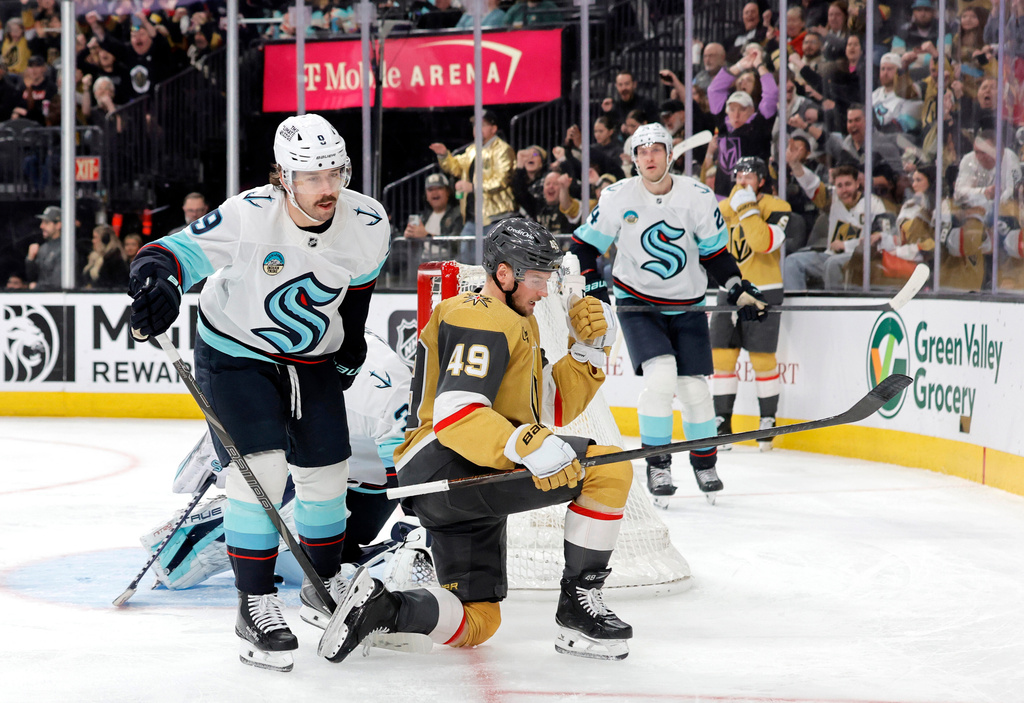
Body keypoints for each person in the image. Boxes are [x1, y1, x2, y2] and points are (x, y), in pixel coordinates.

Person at [126, 113, 390, 673]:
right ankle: (254, 602)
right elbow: (169, 254)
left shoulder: (368, 219)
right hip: (235, 353)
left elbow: (359, 293)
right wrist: (159, 282)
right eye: (311, 176)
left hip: (312, 359)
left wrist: (347, 356)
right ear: (283, 177)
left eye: (334, 173)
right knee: (261, 472)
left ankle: (322, 586)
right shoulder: (249, 213)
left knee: (326, 473)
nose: (327, 188)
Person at [319, 217, 637, 664]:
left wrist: (589, 350)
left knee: (478, 620)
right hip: (448, 463)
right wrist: (527, 444)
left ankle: (383, 608)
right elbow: (458, 414)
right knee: (607, 468)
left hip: (460, 474)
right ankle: (578, 606)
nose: (544, 291)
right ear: (503, 275)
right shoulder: (479, 316)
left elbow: (548, 408)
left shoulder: (514, 320)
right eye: (536, 278)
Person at [569, 123, 768, 499]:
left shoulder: (697, 196)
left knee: (694, 389)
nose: (649, 157)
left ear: (669, 155)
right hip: (637, 304)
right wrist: (594, 282)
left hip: (687, 305)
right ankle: (658, 465)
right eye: (642, 151)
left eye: (656, 149)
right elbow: (582, 248)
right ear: (633, 159)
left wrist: (738, 289)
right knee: (660, 378)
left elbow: (715, 255)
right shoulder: (617, 197)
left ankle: (705, 464)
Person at [142, 331, 418, 597]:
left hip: (362, 468)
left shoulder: (383, 397)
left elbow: (410, 492)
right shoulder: (274, 352)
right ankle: (200, 539)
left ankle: (268, 542)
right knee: (272, 496)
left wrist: (424, 540)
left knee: (341, 549)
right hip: (313, 454)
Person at [711, 157, 795, 451]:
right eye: (738, 174)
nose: (743, 179)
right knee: (721, 358)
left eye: (750, 174)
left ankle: (767, 421)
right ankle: (722, 423)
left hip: (764, 290)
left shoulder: (778, 207)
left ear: (762, 179)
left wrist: (746, 208)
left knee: (761, 360)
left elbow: (762, 243)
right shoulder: (724, 208)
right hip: (729, 289)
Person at [784, 163, 888, 290]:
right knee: (792, 262)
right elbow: (811, 185)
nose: (844, 190)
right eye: (839, 186)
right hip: (830, 256)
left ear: (857, 184)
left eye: (848, 184)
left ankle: (834, 307)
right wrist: (795, 165)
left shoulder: (874, 204)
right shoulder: (832, 200)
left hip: (858, 259)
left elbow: (880, 239)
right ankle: (797, 308)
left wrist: (846, 245)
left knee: (832, 264)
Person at [429, 110, 516, 261]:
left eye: (481, 125)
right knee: (466, 259)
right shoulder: (472, 150)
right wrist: (444, 155)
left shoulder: (503, 149)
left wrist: (473, 187)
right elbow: (456, 167)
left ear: (493, 129)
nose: (477, 128)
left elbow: (502, 180)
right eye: (475, 125)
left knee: (493, 261)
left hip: (495, 217)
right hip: (472, 218)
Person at [402, 173, 462, 261]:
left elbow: (456, 244)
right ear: (426, 195)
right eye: (430, 190)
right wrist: (409, 238)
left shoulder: (457, 214)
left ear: (448, 192)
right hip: (424, 263)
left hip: (447, 264)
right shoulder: (423, 217)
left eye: (439, 188)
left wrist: (427, 235)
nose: (434, 192)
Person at [24, 205, 62, 290]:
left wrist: (37, 287)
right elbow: (32, 277)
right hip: (40, 298)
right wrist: (30, 259)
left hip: (55, 300)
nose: (42, 226)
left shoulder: (65, 249)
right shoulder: (43, 248)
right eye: (42, 222)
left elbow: (57, 283)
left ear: (58, 225)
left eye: (46, 223)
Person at [82, 225, 129, 290]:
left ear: (105, 240)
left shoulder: (114, 259)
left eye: (95, 237)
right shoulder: (96, 257)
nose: (93, 241)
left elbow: (112, 284)